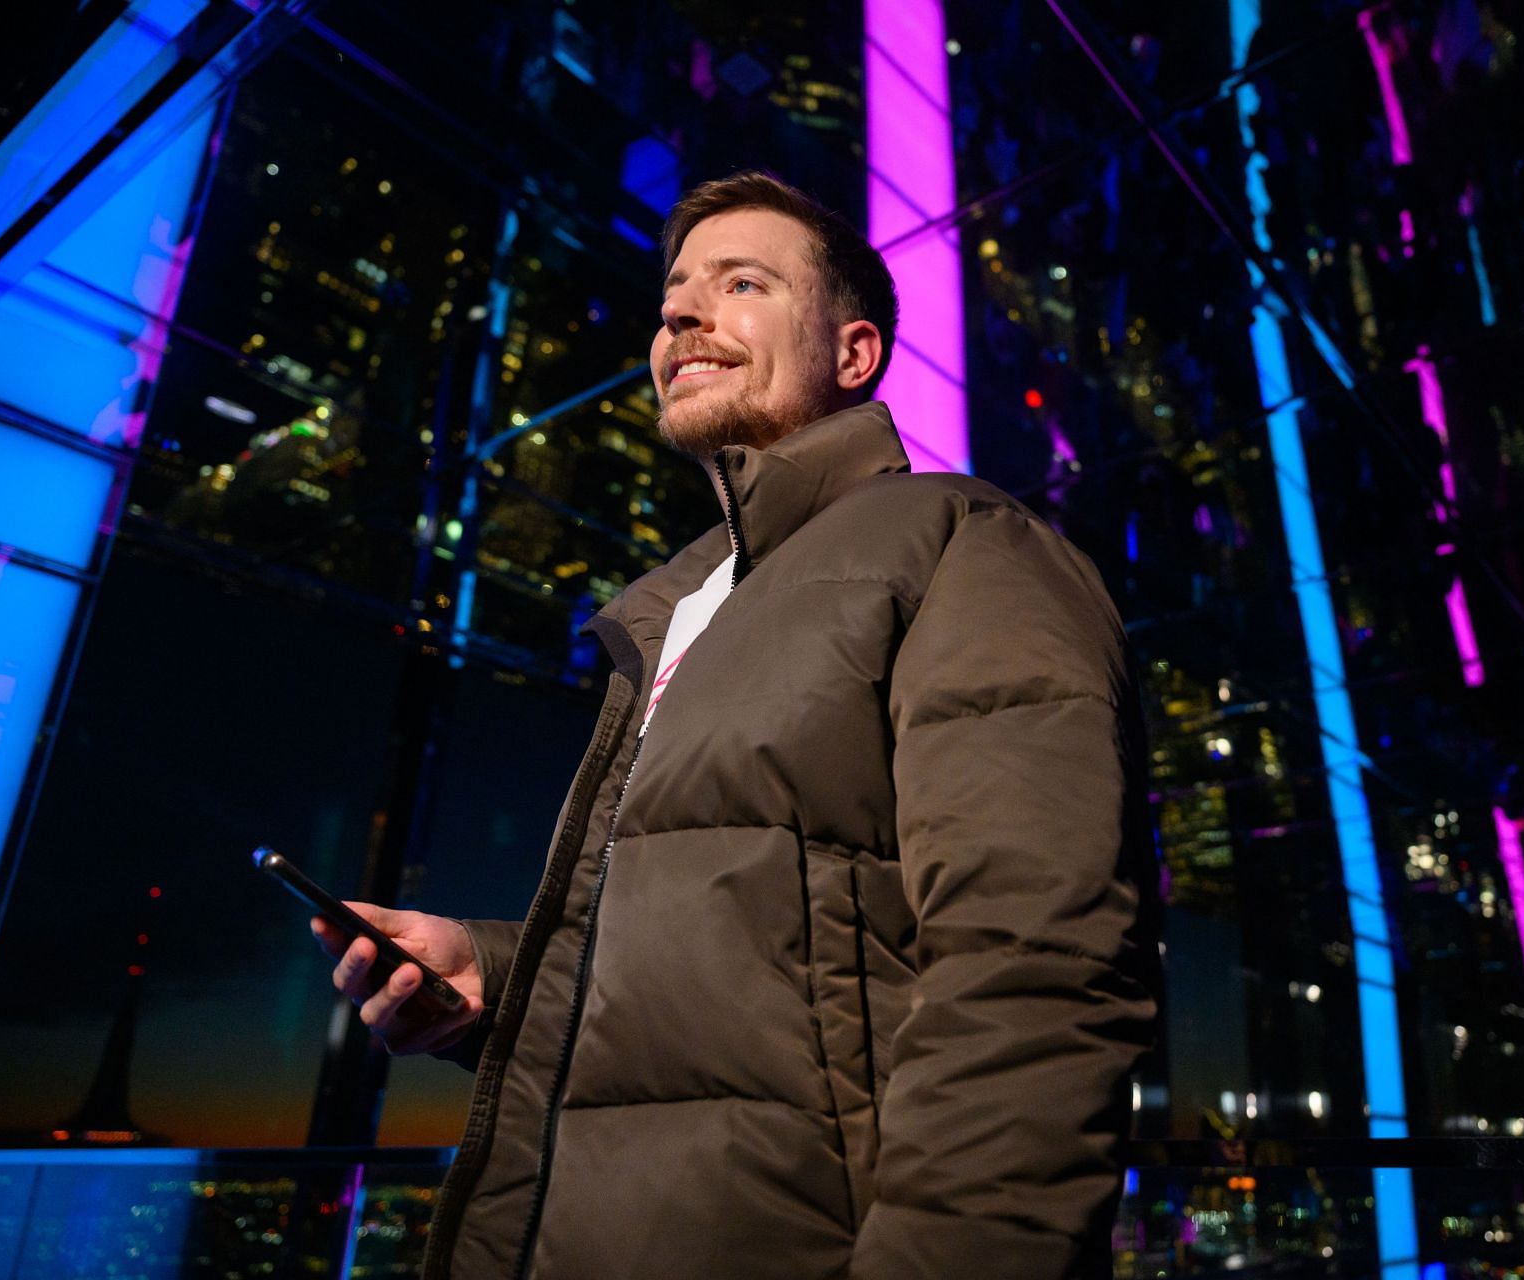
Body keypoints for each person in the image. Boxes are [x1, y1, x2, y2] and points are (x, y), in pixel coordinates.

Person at [312, 171, 1157, 1280]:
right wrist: (496, 975)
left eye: (742, 282)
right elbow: (760, 952)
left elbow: (1037, 963)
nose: (678, 314)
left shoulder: (963, 543)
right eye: (672, 293)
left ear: (854, 355)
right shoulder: (682, 607)